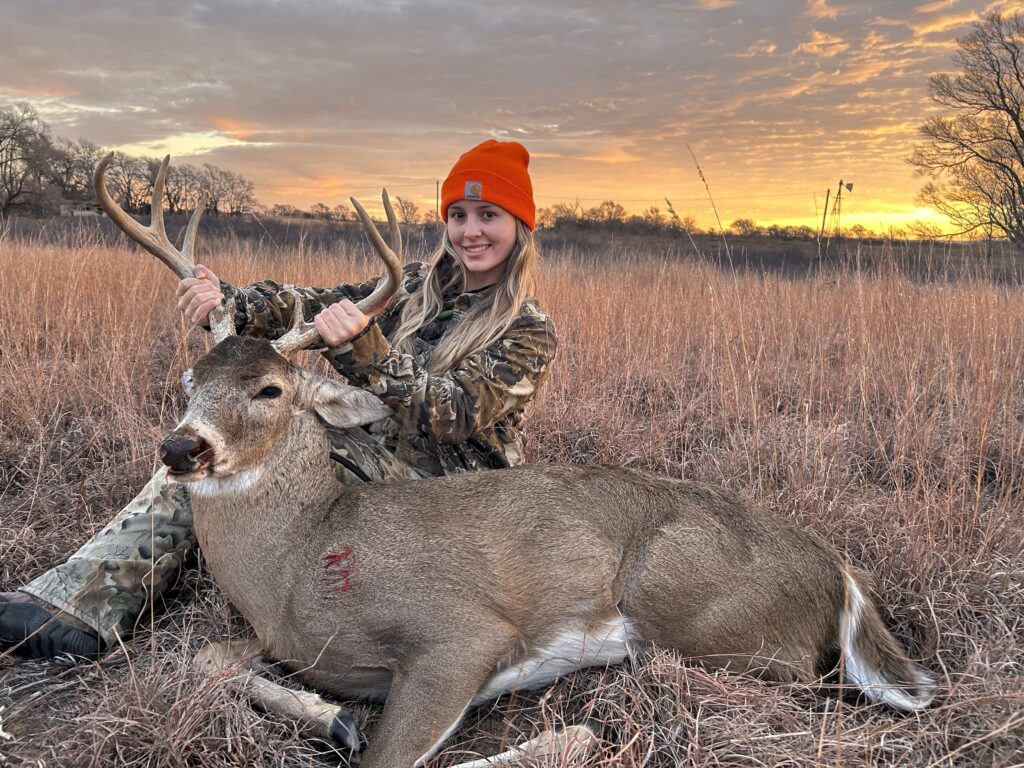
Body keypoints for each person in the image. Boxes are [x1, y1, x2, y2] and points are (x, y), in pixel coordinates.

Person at [0, 139, 557, 659]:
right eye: (458, 215)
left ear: (520, 227)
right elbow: (311, 302)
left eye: (490, 216)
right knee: (230, 440)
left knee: (240, 449)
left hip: (451, 500)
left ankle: (89, 600)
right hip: (371, 468)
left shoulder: (528, 329)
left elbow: (452, 416)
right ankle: (88, 598)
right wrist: (232, 300)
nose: (471, 232)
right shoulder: (413, 285)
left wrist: (364, 348)